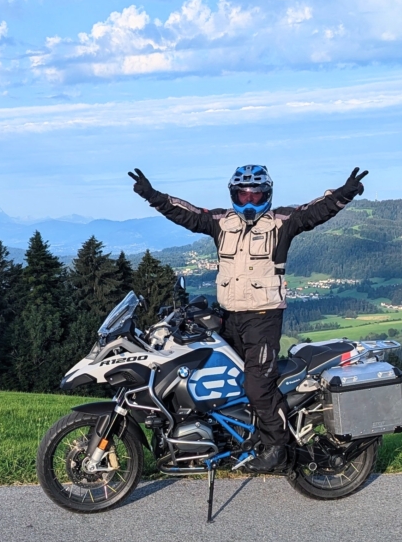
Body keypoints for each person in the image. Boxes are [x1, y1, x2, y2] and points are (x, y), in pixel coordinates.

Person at [128, 164, 368, 472]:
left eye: (256, 194)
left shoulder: (282, 222)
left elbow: (314, 212)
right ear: (234, 195)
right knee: (224, 379)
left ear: (267, 195)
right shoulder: (220, 223)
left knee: (257, 386)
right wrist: (151, 195)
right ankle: (239, 438)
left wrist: (345, 193)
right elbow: (185, 214)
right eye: (243, 194)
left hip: (264, 318)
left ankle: (278, 447)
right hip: (230, 318)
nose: (250, 200)